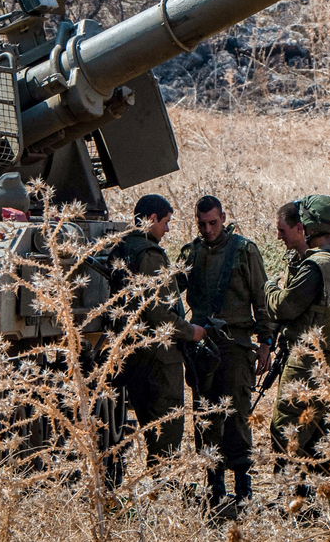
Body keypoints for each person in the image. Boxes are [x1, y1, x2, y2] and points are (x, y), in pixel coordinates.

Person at [179, 195, 276, 510]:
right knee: (206, 418)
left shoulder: (244, 250)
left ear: (223, 218)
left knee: (236, 416)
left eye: (213, 223)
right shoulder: (191, 253)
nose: (208, 229)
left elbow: (261, 297)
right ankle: (214, 488)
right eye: (202, 224)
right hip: (202, 347)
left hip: (235, 345)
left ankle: (244, 490)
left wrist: (266, 342)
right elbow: (169, 291)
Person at [267, 194, 330, 481]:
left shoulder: (316, 265)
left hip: (312, 360)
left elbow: (285, 307)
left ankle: (294, 493)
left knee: (286, 427)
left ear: (310, 226)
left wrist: (270, 288)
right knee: (329, 430)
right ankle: (327, 494)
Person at [116, 193, 205, 467]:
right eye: (166, 222)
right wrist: (191, 331)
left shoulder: (121, 247)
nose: (167, 229)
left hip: (132, 351)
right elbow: (158, 313)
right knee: (167, 430)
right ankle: (162, 489)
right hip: (159, 356)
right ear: (152, 218)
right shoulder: (149, 254)